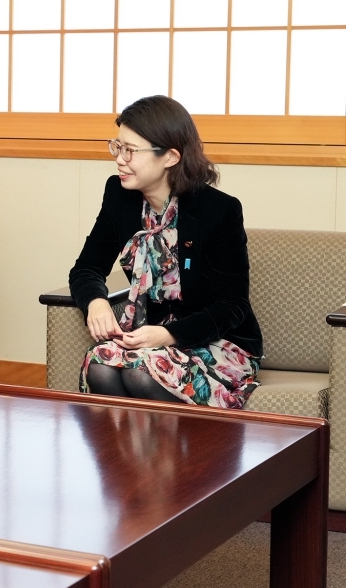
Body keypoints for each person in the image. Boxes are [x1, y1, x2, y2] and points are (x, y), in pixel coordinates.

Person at [69, 95, 263, 408]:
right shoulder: (120, 197)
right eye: (117, 147)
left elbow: (232, 306)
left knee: (141, 374)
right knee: (101, 365)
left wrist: (168, 335)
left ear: (170, 157)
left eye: (130, 150)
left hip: (215, 342)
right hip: (150, 339)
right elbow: (87, 268)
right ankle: (133, 443)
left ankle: (175, 443)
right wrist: (96, 302)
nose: (120, 159)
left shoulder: (218, 210)